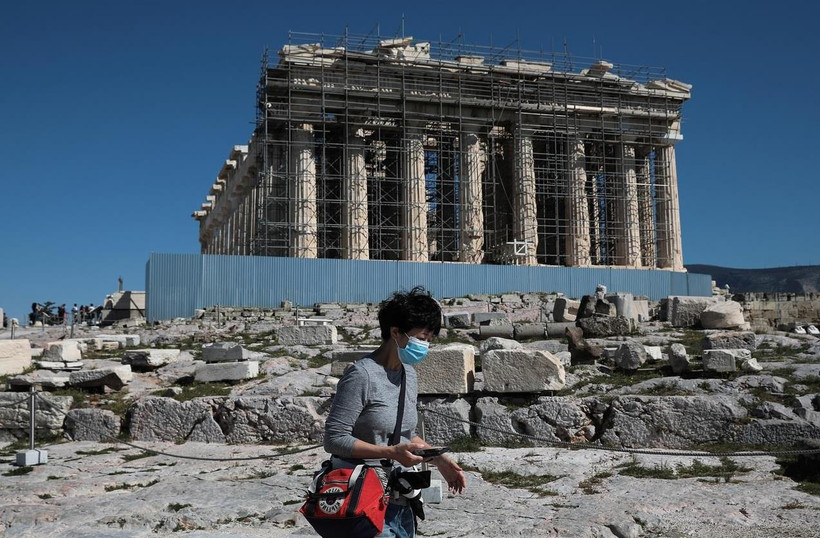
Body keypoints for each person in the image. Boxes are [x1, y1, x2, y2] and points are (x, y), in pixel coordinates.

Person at [323, 286, 466, 537]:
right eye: (421, 337)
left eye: (429, 339)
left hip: (400, 497)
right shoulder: (362, 375)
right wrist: (389, 453)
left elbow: (405, 435)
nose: (425, 345)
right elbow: (334, 439)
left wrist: (439, 458)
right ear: (396, 332)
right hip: (362, 495)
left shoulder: (408, 374)